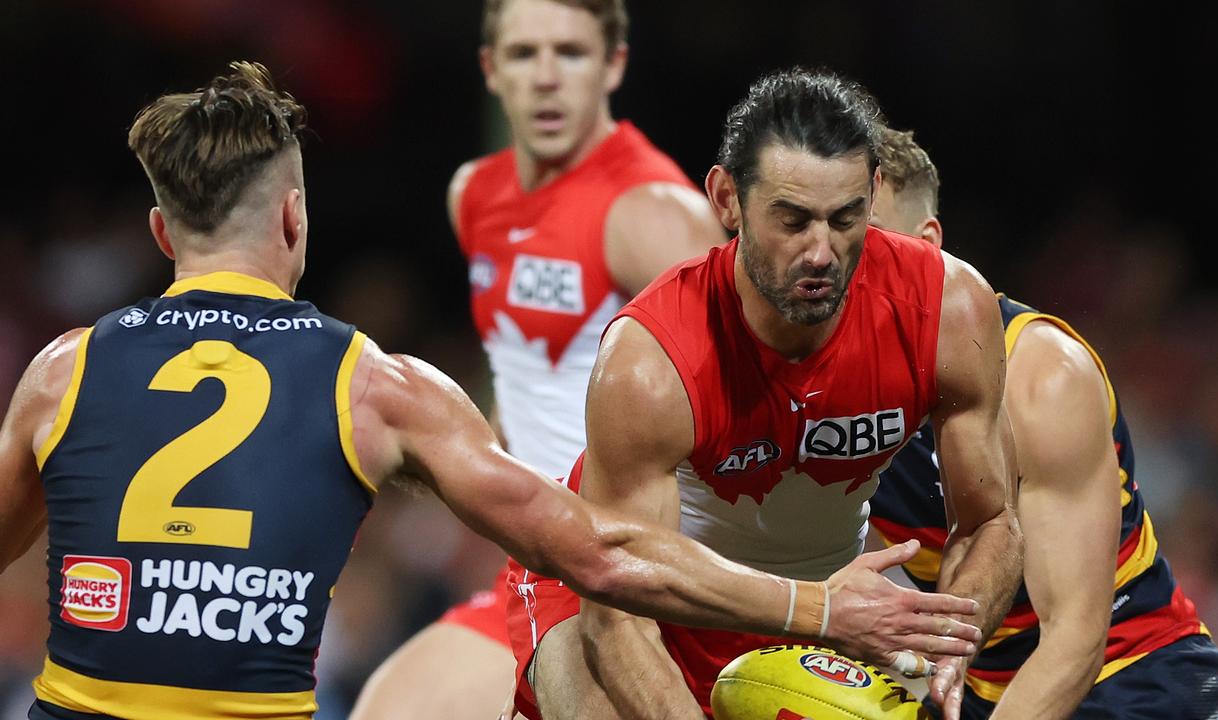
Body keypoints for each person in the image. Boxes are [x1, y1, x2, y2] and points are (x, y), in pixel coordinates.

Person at [0, 62, 984, 720]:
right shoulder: (379, 388)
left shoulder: (59, 374)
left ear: (163, 236)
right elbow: (600, 555)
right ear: (295, 220)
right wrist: (815, 609)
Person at [503, 68, 1025, 720]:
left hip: (819, 613)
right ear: (725, 199)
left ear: (871, 195)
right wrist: (817, 609)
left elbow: (990, 523)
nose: (820, 252)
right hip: (616, 588)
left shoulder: (947, 309)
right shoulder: (650, 360)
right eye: (792, 220)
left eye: (844, 219)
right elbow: (616, 614)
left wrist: (950, 642)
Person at [351, 0, 730, 717]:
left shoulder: (652, 213)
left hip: (626, 576)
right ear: (492, 71)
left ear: (613, 65)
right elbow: (522, 372)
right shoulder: (476, 195)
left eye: (572, 53)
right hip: (531, 562)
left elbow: (742, 416)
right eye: (525, 55)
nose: (548, 78)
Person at [867, 127, 1218, 719]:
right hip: (974, 687)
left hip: (1132, 679)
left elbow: (1074, 641)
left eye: (869, 241)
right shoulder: (812, 385)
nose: (841, 267)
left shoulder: (1041, 376)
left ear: (927, 246)